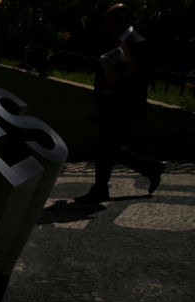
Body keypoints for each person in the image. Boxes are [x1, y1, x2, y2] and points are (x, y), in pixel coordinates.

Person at [75, 3, 164, 204]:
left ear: (122, 19)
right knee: (111, 148)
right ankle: (150, 168)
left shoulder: (138, 43)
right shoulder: (113, 41)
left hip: (124, 106)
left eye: (110, 21)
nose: (107, 26)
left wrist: (124, 77)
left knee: (106, 147)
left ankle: (100, 189)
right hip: (110, 103)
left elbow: (147, 77)